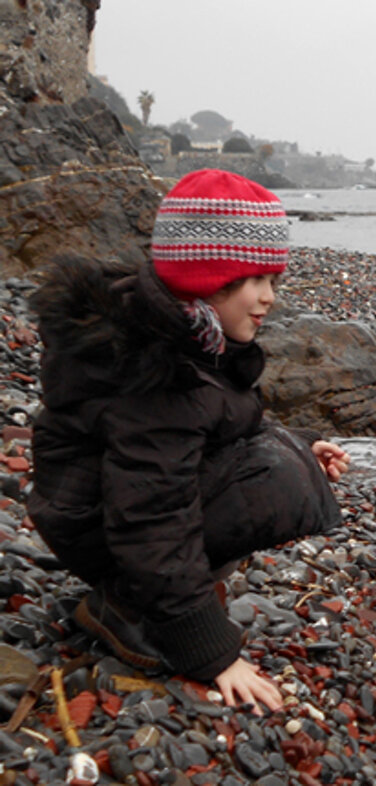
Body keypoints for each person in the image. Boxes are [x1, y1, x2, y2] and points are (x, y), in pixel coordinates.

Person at [28, 169, 350, 713]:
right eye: (257, 281)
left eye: (274, 280)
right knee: (276, 483)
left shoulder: (184, 331)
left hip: (99, 507)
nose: (269, 298)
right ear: (209, 278)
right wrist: (213, 654)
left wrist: (302, 442)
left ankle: (155, 594)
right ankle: (127, 607)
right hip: (100, 524)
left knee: (286, 460)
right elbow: (151, 513)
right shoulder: (155, 370)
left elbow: (214, 421)